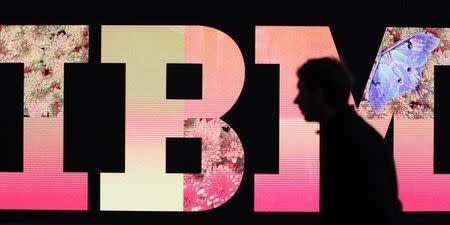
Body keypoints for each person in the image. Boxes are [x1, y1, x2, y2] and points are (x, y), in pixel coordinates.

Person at [294, 57, 403, 225]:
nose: (297, 100)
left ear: (319, 94)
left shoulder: (346, 140)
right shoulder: (352, 134)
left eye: (302, 91)